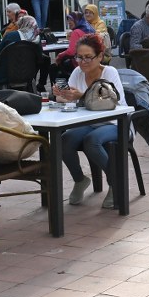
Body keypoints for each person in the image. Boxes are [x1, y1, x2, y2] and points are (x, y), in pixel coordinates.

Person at [53, 34, 128, 209]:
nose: (83, 61)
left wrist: (81, 96)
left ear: (100, 56)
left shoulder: (109, 72)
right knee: (64, 140)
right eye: (79, 57)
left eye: (88, 57)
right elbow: (68, 100)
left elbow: (114, 103)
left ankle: (115, 184)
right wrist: (62, 95)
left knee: (92, 141)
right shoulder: (77, 72)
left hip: (115, 122)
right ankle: (80, 180)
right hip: (88, 123)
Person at [0, 15, 41, 88]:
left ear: (21, 25)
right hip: (29, 74)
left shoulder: (10, 36)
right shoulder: (36, 38)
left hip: (6, 74)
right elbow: (40, 58)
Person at [53, 11, 94, 80]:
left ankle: (61, 87)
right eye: (68, 20)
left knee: (54, 68)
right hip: (92, 60)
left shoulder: (76, 32)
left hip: (81, 62)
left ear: (77, 20)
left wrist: (59, 56)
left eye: (71, 19)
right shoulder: (89, 28)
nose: (69, 22)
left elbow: (71, 52)